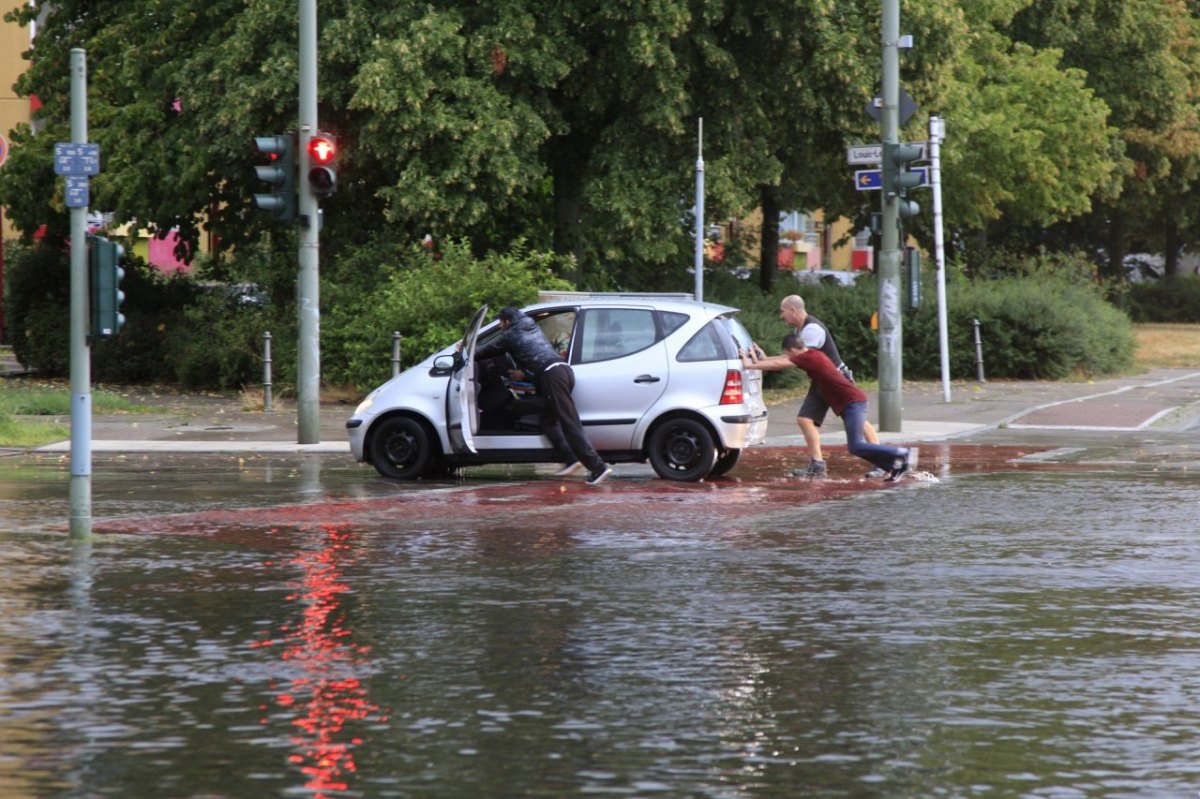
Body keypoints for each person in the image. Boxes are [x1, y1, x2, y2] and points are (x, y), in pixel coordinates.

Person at [465, 306, 613, 485]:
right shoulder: (531, 326)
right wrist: (525, 375)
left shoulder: (511, 335)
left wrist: (464, 350)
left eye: (501, 323)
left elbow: (483, 351)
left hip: (552, 375)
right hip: (563, 371)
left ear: (506, 322)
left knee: (569, 422)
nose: (501, 327)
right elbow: (536, 356)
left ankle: (598, 468)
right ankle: (571, 459)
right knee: (549, 421)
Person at [740, 333, 916, 482]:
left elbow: (780, 364)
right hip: (848, 403)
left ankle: (902, 453)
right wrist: (762, 358)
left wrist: (749, 364)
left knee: (856, 446)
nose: (788, 356)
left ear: (793, 350)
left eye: (788, 354)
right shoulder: (812, 353)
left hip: (852, 402)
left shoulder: (809, 359)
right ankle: (894, 468)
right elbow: (782, 360)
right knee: (856, 445)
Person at [778, 293, 881, 477]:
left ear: (793, 311)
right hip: (821, 382)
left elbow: (794, 360)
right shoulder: (799, 331)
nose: (781, 316)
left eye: (783, 311)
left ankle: (880, 462)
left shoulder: (812, 330)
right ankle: (817, 465)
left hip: (837, 381)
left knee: (858, 422)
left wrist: (757, 364)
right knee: (805, 419)